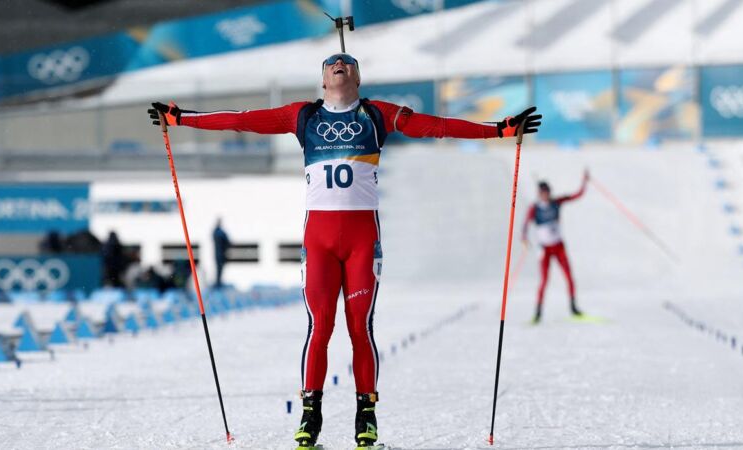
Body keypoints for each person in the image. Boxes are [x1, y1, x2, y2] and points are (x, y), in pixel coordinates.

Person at [148, 52, 541, 449]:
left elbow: (436, 126)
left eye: (348, 62)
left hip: (361, 242)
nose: (340, 64)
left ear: (358, 76)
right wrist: (181, 118)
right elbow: (241, 119)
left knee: (359, 330)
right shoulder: (302, 116)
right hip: (318, 241)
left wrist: (500, 130)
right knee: (320, 328)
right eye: (331, 63)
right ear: (322, 80)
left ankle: (366, 422)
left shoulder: (378, 115)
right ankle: (309, 419)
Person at [522, 170, 588, 323]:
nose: (546, 195)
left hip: (558, 247)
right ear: (539, 193)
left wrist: (584, 182)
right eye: (543, 193)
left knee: (569, 276)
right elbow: (524, 226)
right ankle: (538, 313)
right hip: (545, 249)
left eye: (547, 192)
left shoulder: (556, 203)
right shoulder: (534, 208)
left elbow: (576, 195)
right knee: (544, 280)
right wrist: (524, 239)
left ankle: (573, 308)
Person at [212, 218, 231, 287]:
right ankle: (218, 282)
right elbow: (228, 241)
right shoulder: (222, 233)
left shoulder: (215, 232)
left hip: (218, 254)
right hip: (222, 254)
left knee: (219, 268)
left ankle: (218, 282)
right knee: (219, 268)